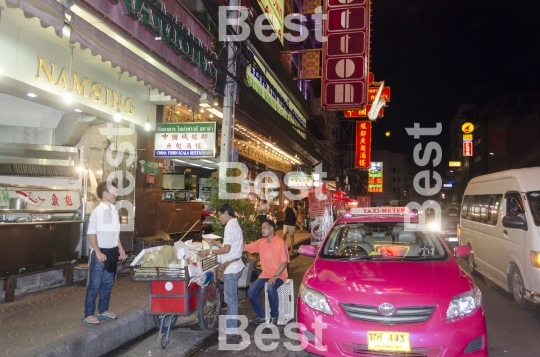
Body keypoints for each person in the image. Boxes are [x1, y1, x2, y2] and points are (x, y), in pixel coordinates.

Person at [83, 181, 126, 325]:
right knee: (95, 284)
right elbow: (91, 233)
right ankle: (89, 314)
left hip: (112, 251)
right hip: (100, 253)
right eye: (113, 191)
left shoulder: (114, 210)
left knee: (107, 283)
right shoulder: (97, 211)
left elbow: (115, 233)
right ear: (105, 193)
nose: (116, 194)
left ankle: (103, 310)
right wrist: (97, 251)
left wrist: (120, 247)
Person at [200, 203, 244, 341]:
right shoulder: (234, 224)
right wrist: (214, 242)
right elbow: (227, 246)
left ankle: (232, 329)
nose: (219, 218)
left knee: (231, 299)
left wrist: (209, 250)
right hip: (236, 266)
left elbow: (226, 250)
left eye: (219, 215)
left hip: (231, 268)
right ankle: (231, 326)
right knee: (231, 298)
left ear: (226, 213)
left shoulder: (230, 226)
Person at [244, 220, 289, 326]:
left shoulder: (280, 243)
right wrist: (227, 247)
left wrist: (275, 276)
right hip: (265, 274)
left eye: (264, 227)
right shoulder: (261, 242)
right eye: (262, 228)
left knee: (270, 288)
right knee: (251, 292)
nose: (262, 230)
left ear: (271, 228)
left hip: (279, 274)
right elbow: (245, 247)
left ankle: (274, 316)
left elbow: (284, 263)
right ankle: (261, 316)